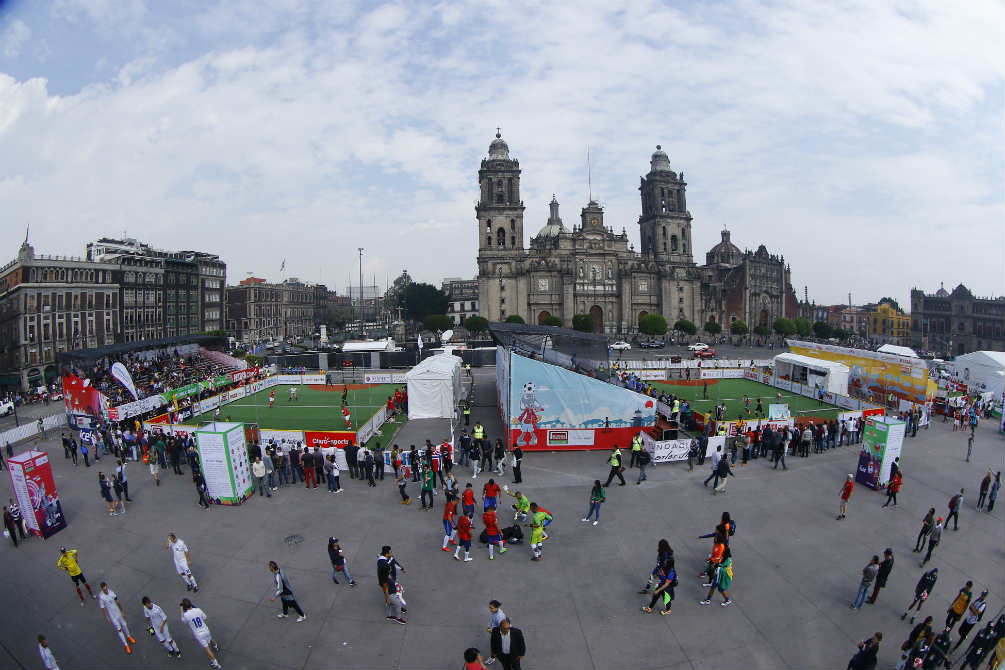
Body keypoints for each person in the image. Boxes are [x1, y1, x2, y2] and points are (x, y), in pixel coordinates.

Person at [179, 598, 221, 668]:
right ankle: (215, 646)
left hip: (199, 634)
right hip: (205, 630)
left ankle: (215, 663)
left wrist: (181, 610)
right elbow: (205, 617)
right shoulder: (198, 610)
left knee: (207, 649)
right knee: (210, 638)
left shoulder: (186, 615)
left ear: (184, 607)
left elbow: (183, 621)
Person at [98, 582, 136, 654]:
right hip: (113, 616)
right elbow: (103, 608)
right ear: (102, 589)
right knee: (119, 630)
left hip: (118, 613)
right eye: (104, 590)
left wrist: (122, 611)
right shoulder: (101, 597)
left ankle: (129, 636)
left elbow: (117, 602)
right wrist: (107, 617)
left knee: (124, 625)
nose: (106, 590)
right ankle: (126, 645)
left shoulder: (111, 592)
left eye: (106, 588)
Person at [641, 549, 676, 615]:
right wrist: (656, 575)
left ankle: (668, 610)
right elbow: (660, 573)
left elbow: (666, 584)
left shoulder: (671, 572)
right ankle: (649, 608)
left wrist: (658, 590)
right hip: (661, 584)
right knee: (655, 596)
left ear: (669, 563)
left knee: (666, 600)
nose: (665, 561)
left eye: (666, 561)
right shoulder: (664, 566)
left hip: (667, 588)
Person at [377, 546, 406, 624]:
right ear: (387, 554)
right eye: (390, 552)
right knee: (397, 604)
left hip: (389, 583)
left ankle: (389, 615)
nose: (391, 569)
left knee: (390, 601)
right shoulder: (383, 568)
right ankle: (398, 618)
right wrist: (387, 597)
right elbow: (385, 586)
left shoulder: (384, 563)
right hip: (388, 586)